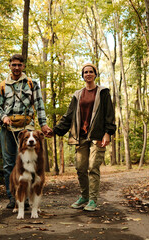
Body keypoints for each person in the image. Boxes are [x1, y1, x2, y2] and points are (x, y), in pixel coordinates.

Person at [51, 63, 116, 211]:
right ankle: (84, 197)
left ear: (95, 74)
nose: (88, 74)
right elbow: (68, 116)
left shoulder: (103, 92)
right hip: (80, 136)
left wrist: (108, 133)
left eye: (91, 71)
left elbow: (109, 114)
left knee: (93, 167)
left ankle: (93, 200)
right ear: (83, 75)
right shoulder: (77, 95)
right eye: (85, 72)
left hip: (97, 135)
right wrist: (55, 130)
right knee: (80, 168)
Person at [0, 54, 52, 209]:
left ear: (23, 66)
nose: (17, 68)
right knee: (9, 165)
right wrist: (3, 117)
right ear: (10, 66)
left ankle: (26, 198)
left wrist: (43, 125)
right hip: (8, 129)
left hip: (28, 130)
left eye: (19, 65)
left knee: (29, 163)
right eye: (14, 65)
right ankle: (13, 197)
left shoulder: (32, 84)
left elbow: (39, 105)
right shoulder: (2, 85)